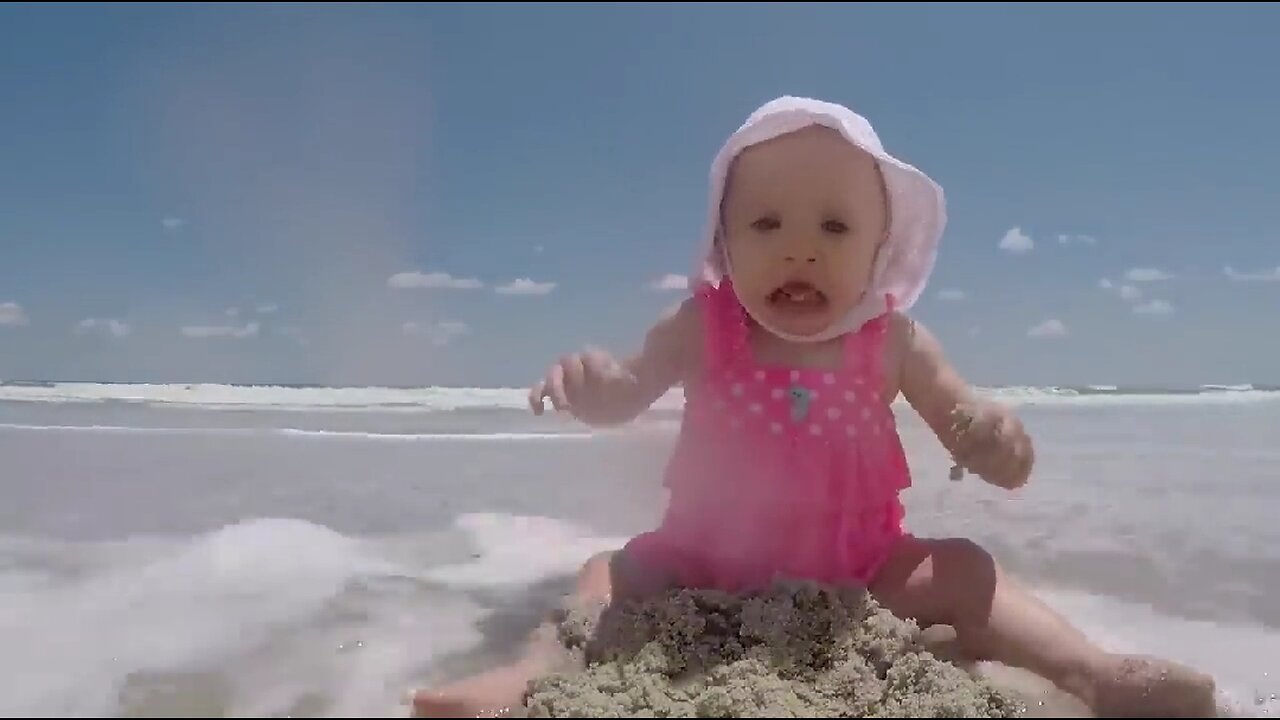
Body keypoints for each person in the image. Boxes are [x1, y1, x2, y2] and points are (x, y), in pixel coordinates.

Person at [410, 96, 1217, 718]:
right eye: (766, 222)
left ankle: (1090, 672)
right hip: (702, 568)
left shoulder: (893, 341)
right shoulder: (704, 327)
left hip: (861, 575)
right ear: (724, 244)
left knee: (965, 568)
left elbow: (968, 425)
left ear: (877, 250)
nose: (801, 247)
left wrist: (998, 441)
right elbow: (625, 392)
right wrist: (593, 387)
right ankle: (528, 674)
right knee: (610, 573)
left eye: (835, 225)